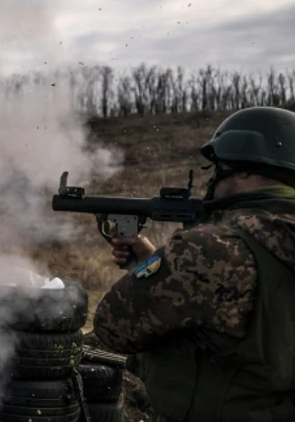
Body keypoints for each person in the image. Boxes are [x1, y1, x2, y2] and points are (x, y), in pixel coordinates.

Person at [93, 106, 295, 422]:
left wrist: (165, 264)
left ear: (243, 167)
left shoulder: (209, 250)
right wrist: (151, 263)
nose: (213, 175)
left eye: (219, 165)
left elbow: (112, 327)